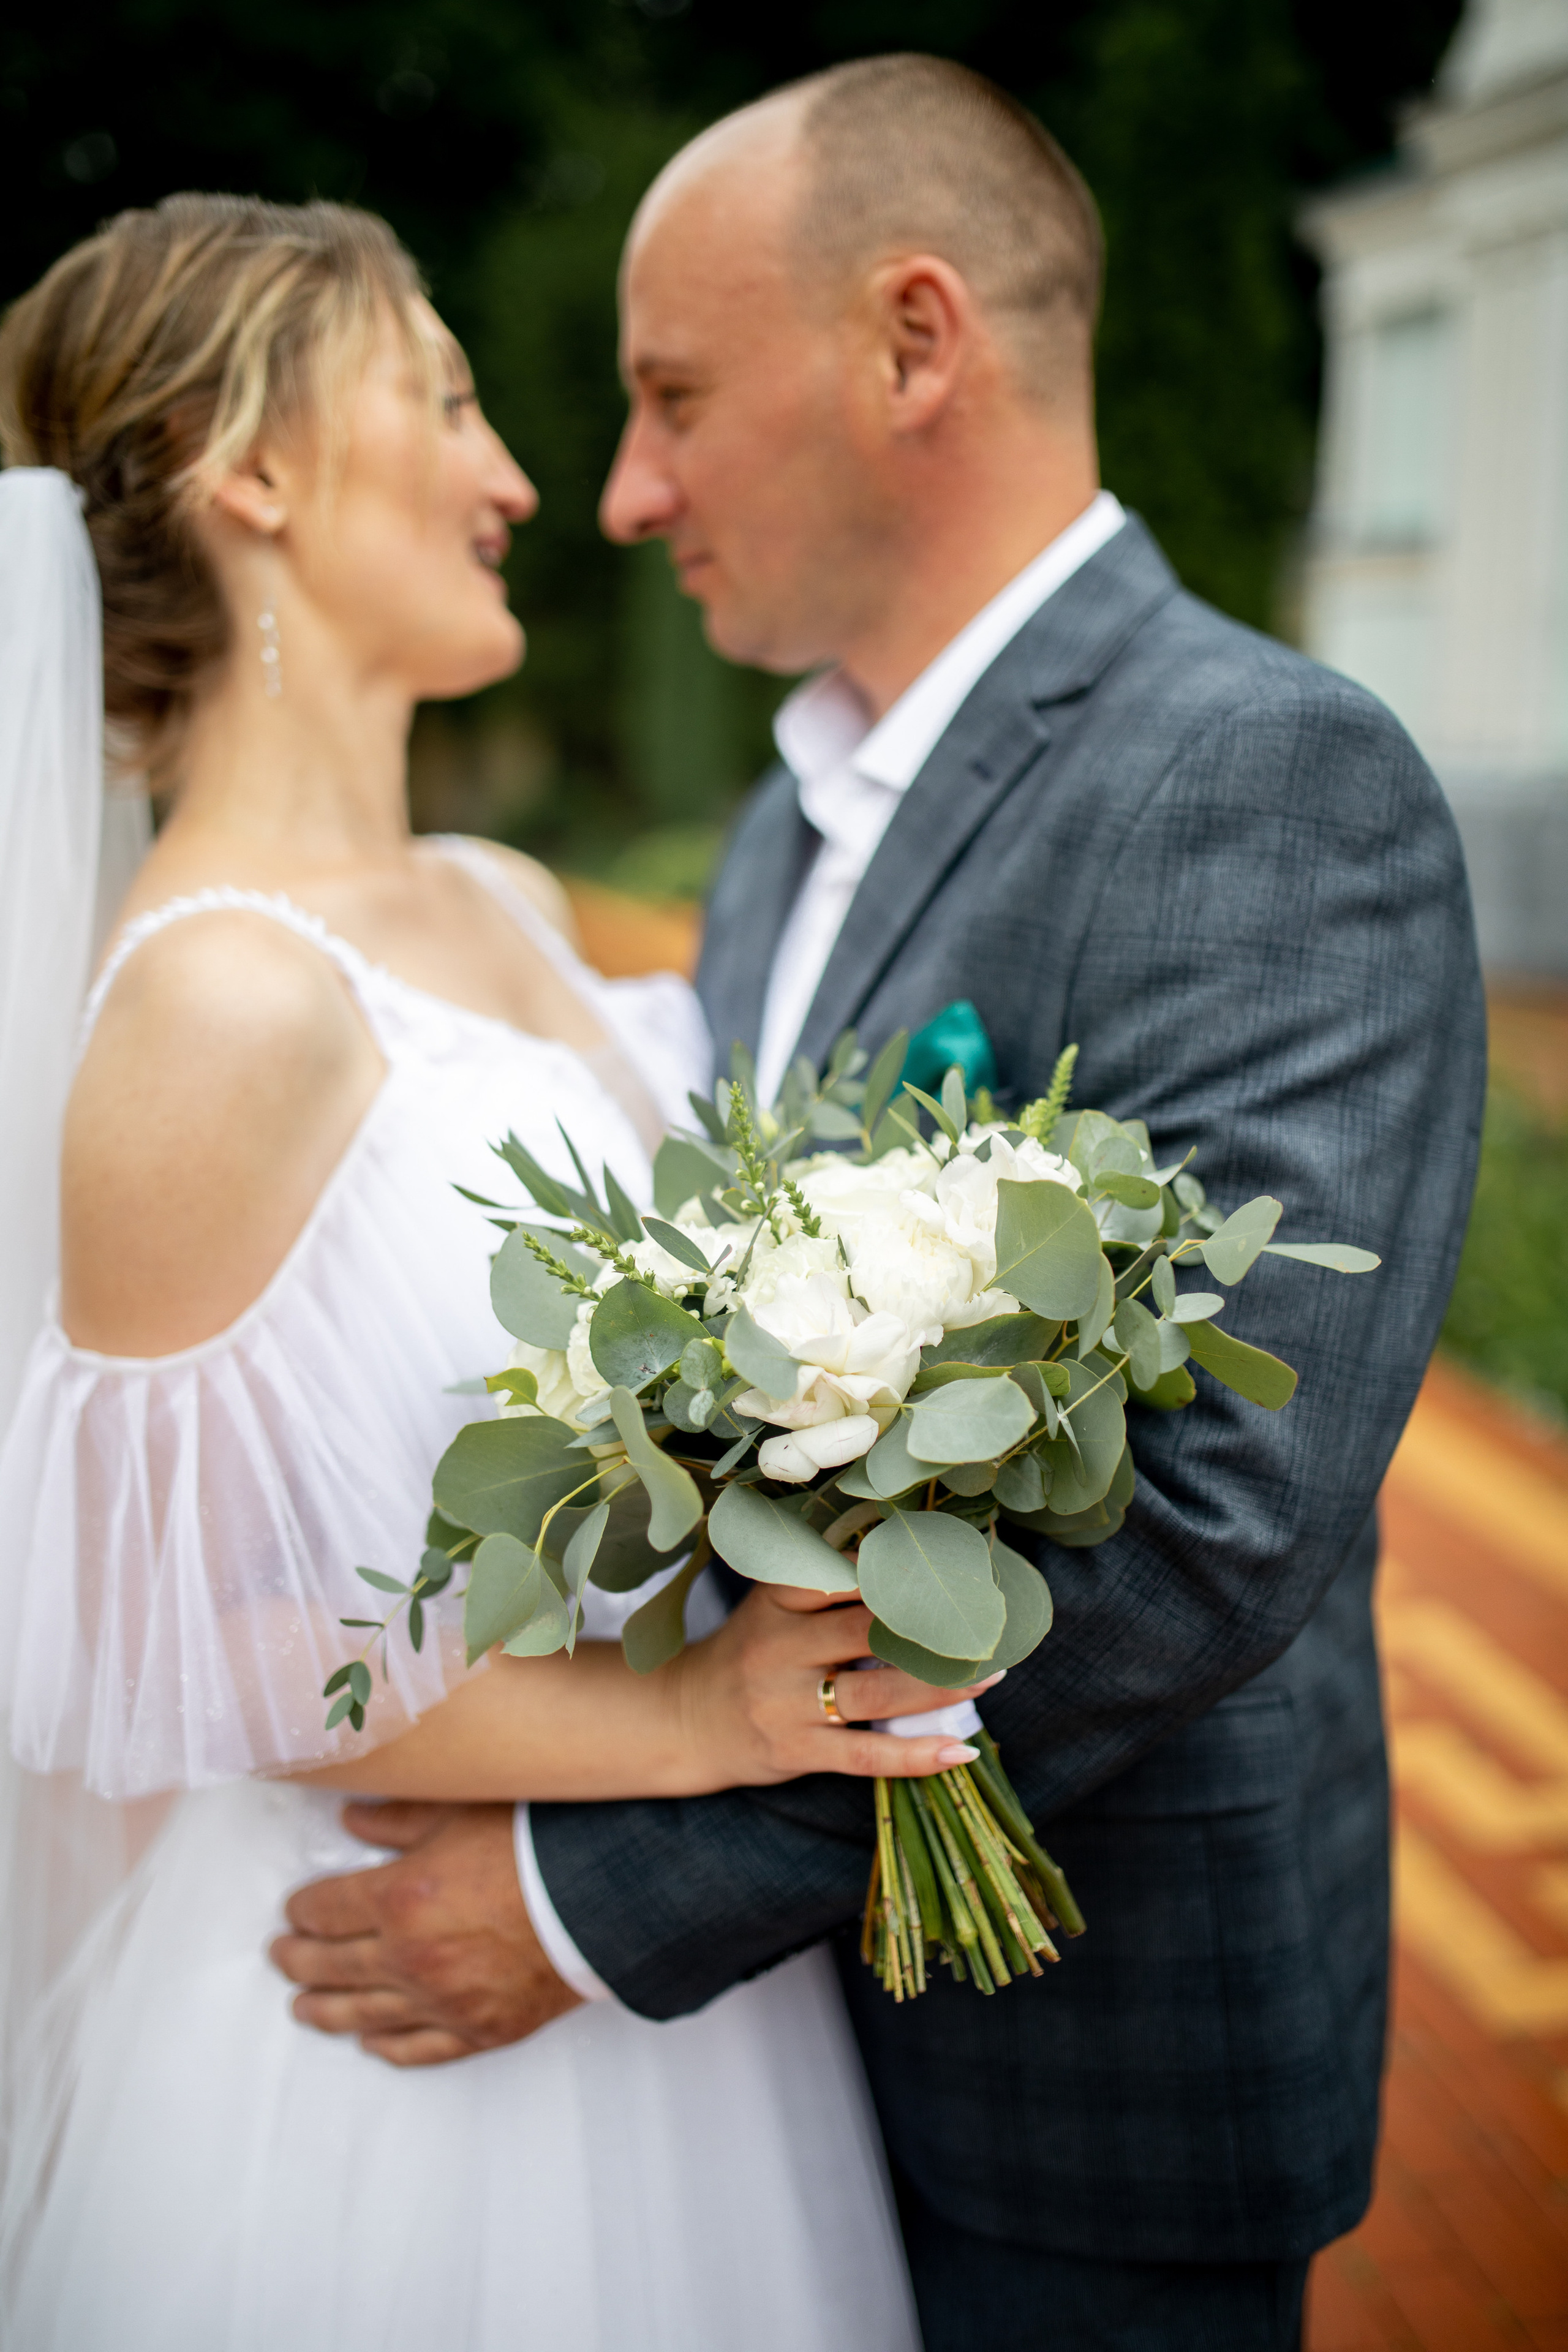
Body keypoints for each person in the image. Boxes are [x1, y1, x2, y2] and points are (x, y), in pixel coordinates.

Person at [274, 55, 1490, 2352]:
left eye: (673, 398)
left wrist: (596, 1890)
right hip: (779, 2067)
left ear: (915, 342)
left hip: (1084, 2065)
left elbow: (1206, 1516)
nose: (624, 493)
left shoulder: (1260, 779)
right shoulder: (782, 822)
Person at [0, 192, 989, 2349]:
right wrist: (707, 1712)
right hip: (380, 2036)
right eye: (440, 400)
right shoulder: (211, 1011)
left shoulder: (501, 890)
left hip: (680, 2001)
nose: (516, 474)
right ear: (248, 473)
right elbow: (206, 1646)